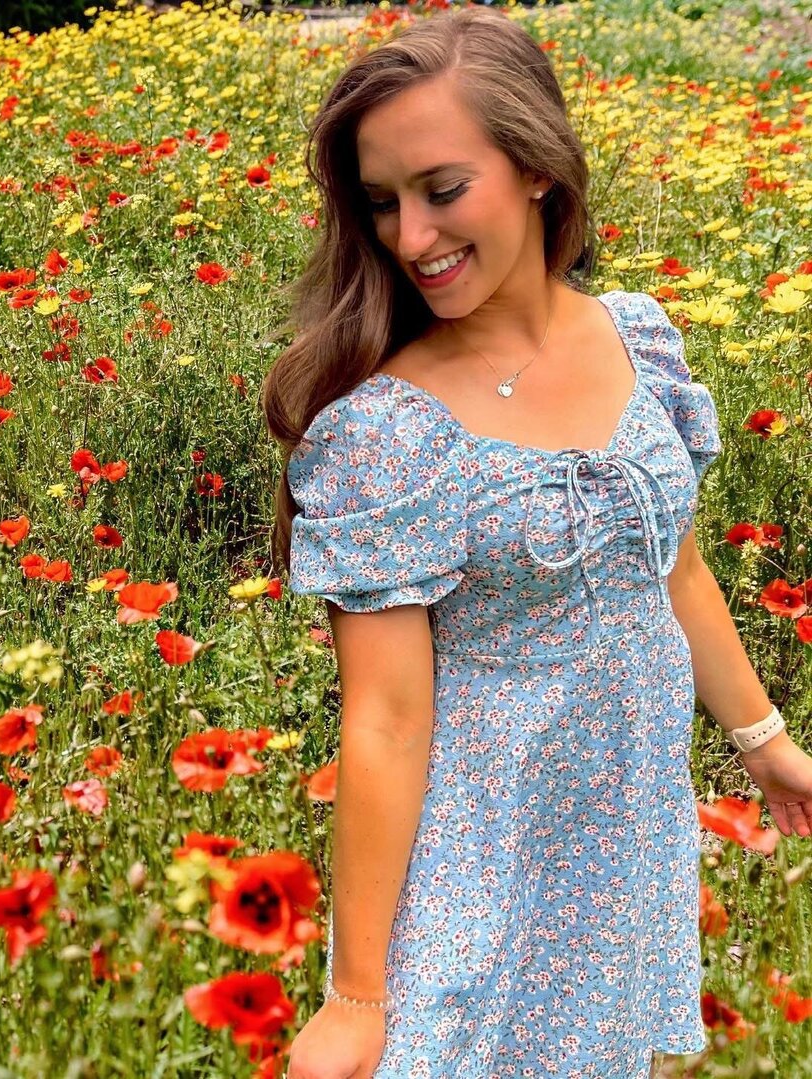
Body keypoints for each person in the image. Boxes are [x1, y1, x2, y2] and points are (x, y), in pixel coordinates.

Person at [259, 6, 812, 1078]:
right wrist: (357, 995)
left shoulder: (634, 338)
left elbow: (675, 568)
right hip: (478, 862)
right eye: (383, 203)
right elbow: (385, 718)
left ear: (538, 170)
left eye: (442, 189)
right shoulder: (388, 433)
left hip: (620, 843)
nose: (409, 238)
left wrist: (765, 744)